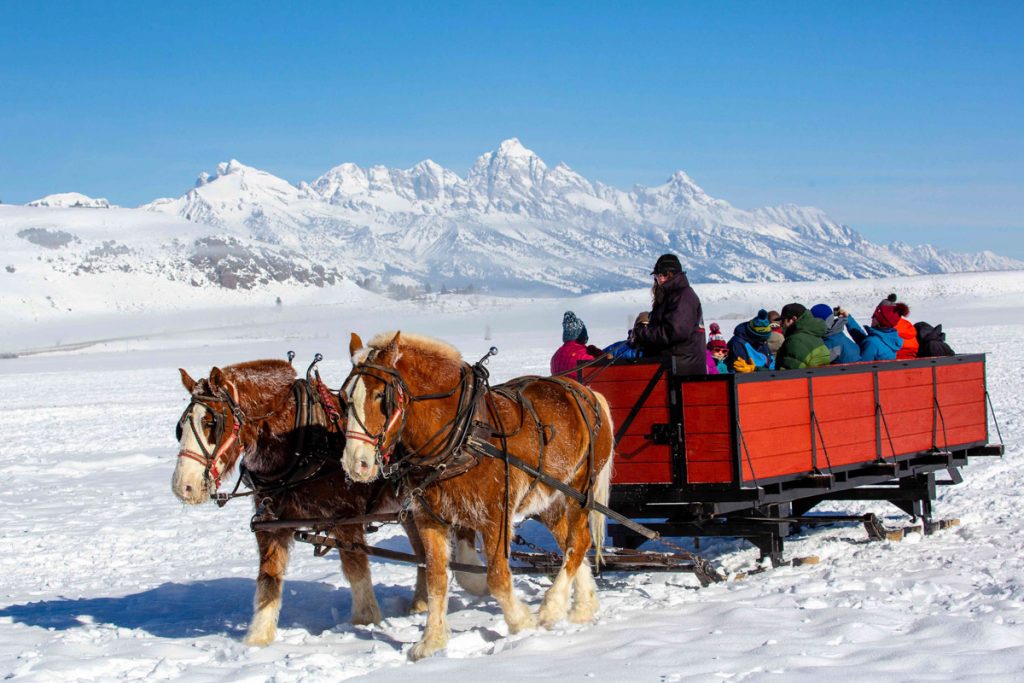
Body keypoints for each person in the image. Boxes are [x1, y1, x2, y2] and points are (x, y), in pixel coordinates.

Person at [632, 253, 706, 374]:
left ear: (674, 275)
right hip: (673, 363)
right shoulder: (670, 296)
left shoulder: (683, 296)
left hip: (681, 368)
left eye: (665, 274)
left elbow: (674, 332)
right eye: (658, 275)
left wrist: (642, 332)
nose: (661, 278)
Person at [776, 303, 831, 369]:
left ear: (793, 319)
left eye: (783, 320)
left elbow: (788, 374)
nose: (781, 324)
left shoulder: (796, 341)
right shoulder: (813, 335)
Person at [856, 296, 904, 361]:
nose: (872, 318)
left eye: (874, 316)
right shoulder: (890, 338)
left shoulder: (872, 343)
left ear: (879, 323)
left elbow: (861, 368)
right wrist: (848, 319)